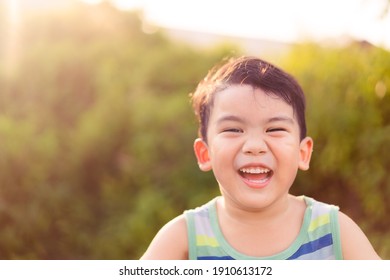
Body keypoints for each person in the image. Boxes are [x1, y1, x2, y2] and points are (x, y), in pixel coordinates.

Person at [141, 56, 381, 260]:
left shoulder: (333, 232)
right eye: (233, 129)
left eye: (274, 129)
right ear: (205, 154)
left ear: (303, 153)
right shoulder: (183, 238)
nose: (254, 146)